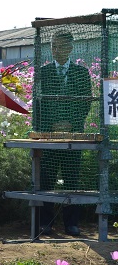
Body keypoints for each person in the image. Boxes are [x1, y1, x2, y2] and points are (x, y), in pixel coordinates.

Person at [34, 30, 92, 236]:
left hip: (73, 135)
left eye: (61, 46)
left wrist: (70, 123)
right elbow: (38, 104)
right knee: (47, 178)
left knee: (71, 179)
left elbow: (86, 104)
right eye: (53, 46)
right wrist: (51, 126)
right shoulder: (43, 72)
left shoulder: (81, 73)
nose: (57, 50)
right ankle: (46, 222)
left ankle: (71, 224)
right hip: (49, 135)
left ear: (70, 48)